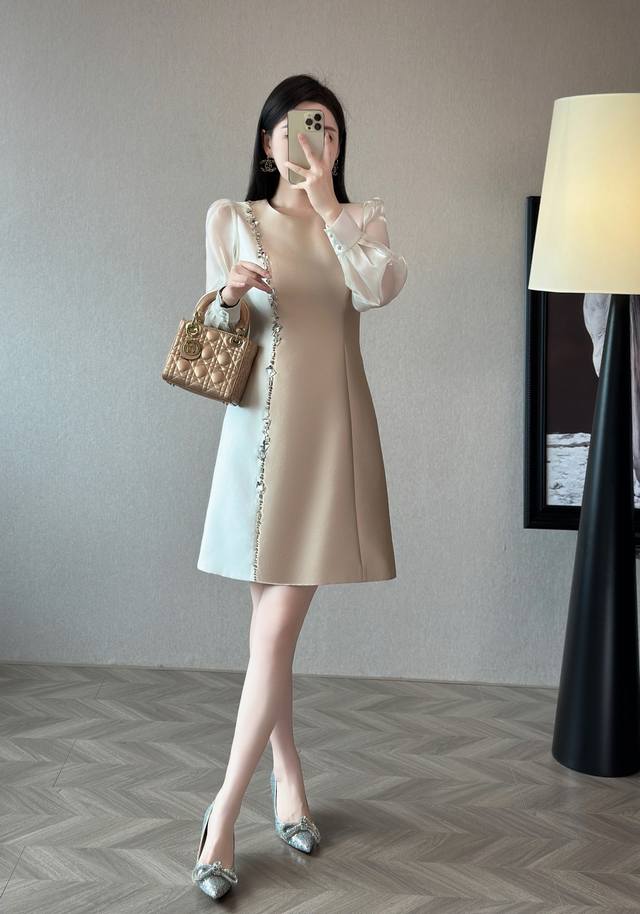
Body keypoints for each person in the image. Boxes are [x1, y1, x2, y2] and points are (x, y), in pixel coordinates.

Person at [191, 73, 408, 900]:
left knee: (274, 635)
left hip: (329, 439)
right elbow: (219, 333)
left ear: (339, 144)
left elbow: (377, 291)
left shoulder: (362, 220)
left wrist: (328, 209)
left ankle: (220, 816)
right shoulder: (232, 218)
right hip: (256, 442)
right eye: (297, 127)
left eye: (327, 128)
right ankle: (290, 783)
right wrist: (229, 293)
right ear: (267, 140)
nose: (313, 140)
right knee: (269, 642)